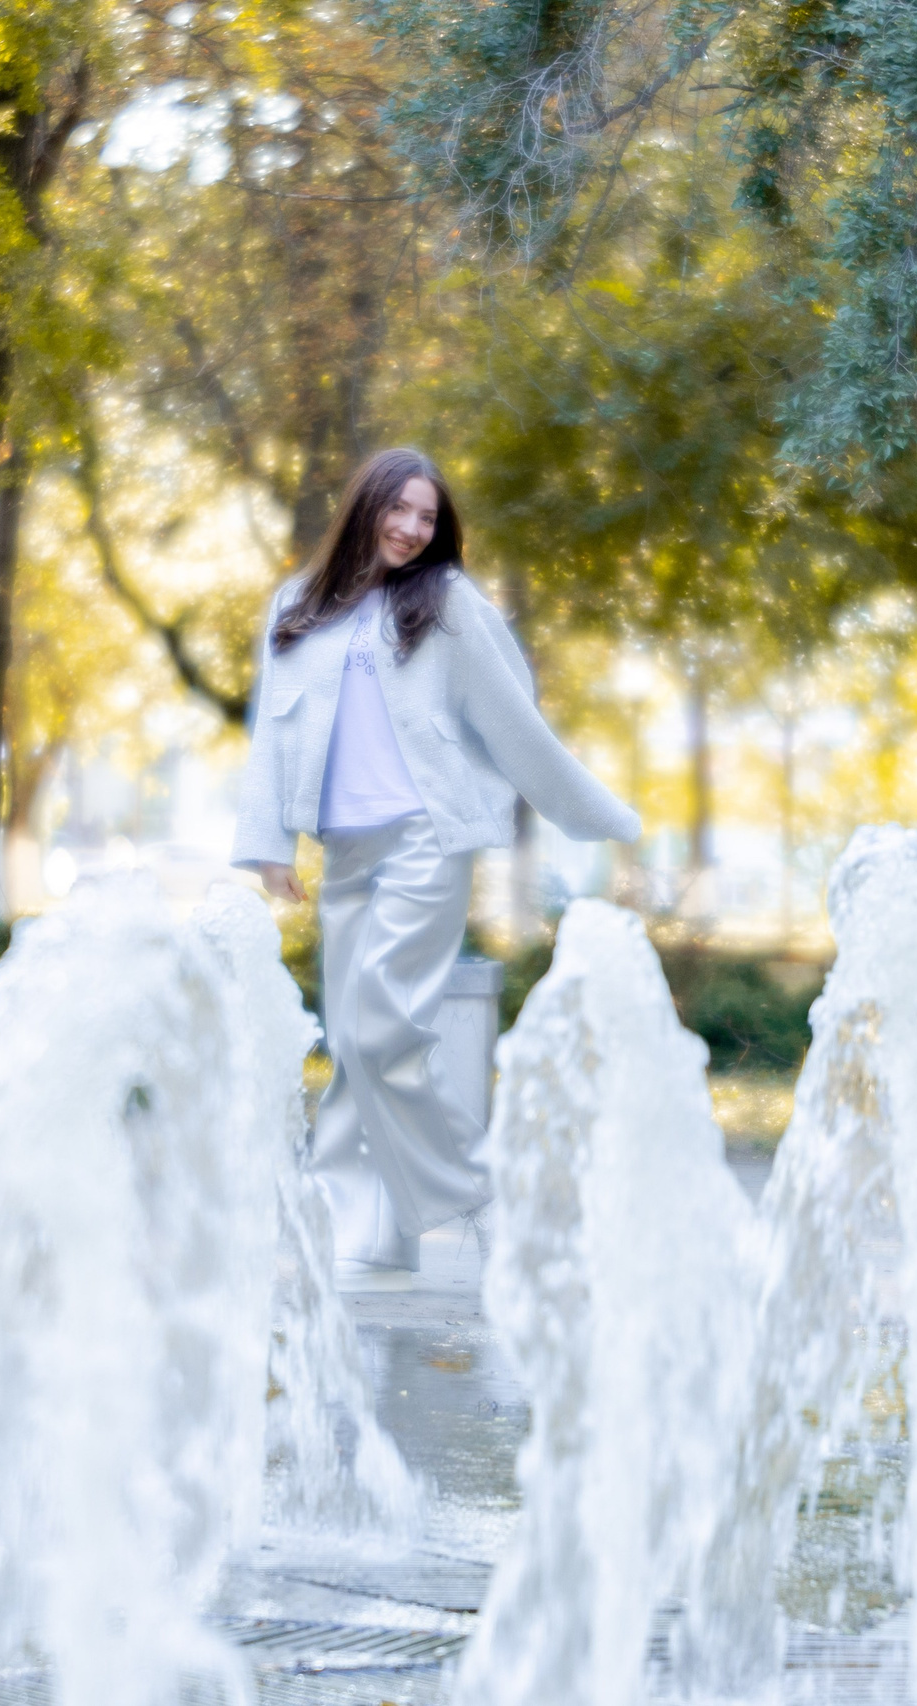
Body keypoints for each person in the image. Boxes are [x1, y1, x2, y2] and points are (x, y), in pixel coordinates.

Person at [232, 448, 639, 1291]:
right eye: (403, 511)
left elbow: (510, 711)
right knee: (351, 1042)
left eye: (429, 518)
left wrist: (589, 811)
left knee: (383, 1024)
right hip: (346, 846)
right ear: (367, 506)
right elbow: (273, 736)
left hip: (426, 835)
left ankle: (480, 1195)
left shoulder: (447, 603)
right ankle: (375, 1234)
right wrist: (268, 845)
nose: (415, 530)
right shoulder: (296, 608)